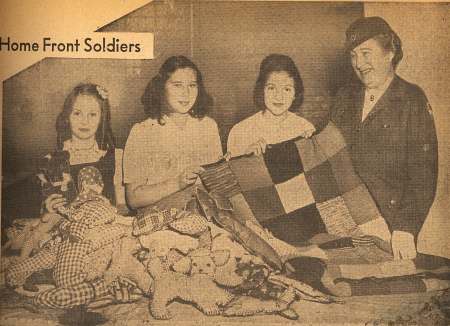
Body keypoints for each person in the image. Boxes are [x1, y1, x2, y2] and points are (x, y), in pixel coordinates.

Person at [330, 17, 438, 259]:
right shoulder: (344, 97)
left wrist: (406, 229)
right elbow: (324, 152)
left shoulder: (412, 99)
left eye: (366, 53)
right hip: (344, 222)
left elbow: (424, 173)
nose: (359, 63)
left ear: (389, 53)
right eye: (354, 56)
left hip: (390, 227)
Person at [123, 56, 223, 209]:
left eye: (192, 85)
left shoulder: (208, 126)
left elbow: (217, 186)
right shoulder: (142, 132)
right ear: (162, 88)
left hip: (204, 213)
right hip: (158, 219)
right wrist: (178, 183)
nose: (186, 93)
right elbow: (134, 199)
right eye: (177, 85)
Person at [43, 83, 126, 214]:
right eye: (77, 113)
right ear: (67, 117)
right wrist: (49, 208)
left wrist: (110, 212)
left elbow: (122, 205)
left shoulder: (116, 156)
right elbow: (49, 205)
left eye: (92, 114)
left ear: (101, 118)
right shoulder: (53, 160)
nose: (84, 121)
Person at [227, 54, 316, 157]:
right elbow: (231, 171)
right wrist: (245, 158)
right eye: (271, 88)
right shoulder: (240, 131)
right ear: (262, 90)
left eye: (287, 89)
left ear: (295, 94)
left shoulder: (305, 128)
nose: (279, 97)